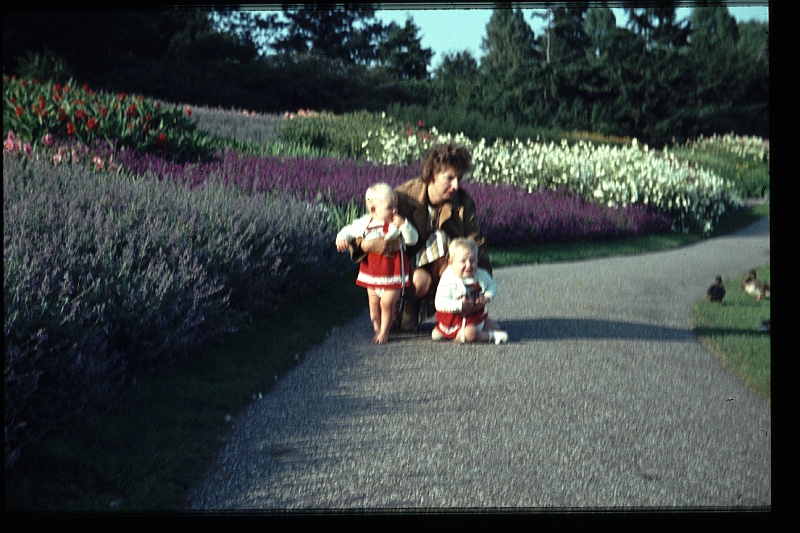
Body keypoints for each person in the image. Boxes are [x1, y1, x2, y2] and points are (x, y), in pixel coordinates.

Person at [348, 143, 492, 332]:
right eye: (449, 178)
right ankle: (406, 308)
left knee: (448, 245)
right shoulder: (404, 196)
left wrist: (483, 283)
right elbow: (363, 226)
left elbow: (476, 242)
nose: (456, 185)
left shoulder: (464, 203)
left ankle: (453, 316)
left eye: (458, 178)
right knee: (420, 280)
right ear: (433, 175)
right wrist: (366, 245)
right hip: (404, 268)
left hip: (442, 267)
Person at [336, 182, 419, 344]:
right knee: (374, 304)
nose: (395, 211)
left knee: (387, 303)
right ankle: (377, 328)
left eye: (396, 206)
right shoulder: (365, 223)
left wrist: (404, 225)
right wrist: (342, 238)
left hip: (392, 273)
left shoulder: (397, 225)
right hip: (372, 273)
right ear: (373, 210)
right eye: (390, 207)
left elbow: (412, 240)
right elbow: (349, 229)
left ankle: (385, 331)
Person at [432, 237, 508, 345]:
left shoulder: (480, 274)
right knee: (470, 333)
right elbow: (440, 303)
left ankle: (477, 328)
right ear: (451, 262)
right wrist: (460, 305)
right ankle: (489, 336)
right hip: (455, 320)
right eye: (463, 261)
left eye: (472, 260)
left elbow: (493, 285)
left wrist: (487, 296)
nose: (468, 265)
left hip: (475, 314)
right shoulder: (448, 279)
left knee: (496, 326)